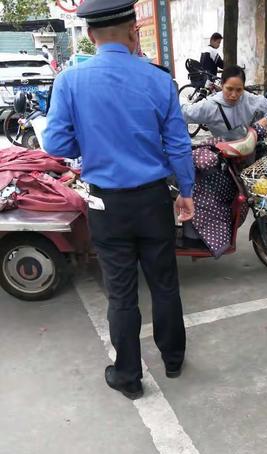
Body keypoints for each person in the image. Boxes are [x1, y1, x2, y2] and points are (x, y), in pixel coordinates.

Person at [43, 0, 195, 400]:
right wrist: (188, 193)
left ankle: (128, 376)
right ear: (133, 31)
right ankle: (174, 359)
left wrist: (90, 145)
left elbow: (56, 143)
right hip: (152, 200)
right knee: (164, 283)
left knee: (122, 292)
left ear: (91, 36)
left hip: (106, 206)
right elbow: (179, 145)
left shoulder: (70, 82)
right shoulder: (159, 80)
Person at [182, 65, 267, 234]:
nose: (234, 95)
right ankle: (213, 232)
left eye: (238, 90)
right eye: (229, 89)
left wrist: (264, 122)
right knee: (223, 198)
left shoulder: (250, 99)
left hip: (252, 154)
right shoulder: (209, 105)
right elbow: (182, 114)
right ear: (221, 86)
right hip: (225, 160)